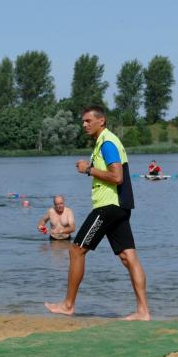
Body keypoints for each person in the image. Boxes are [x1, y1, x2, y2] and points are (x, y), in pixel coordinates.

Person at [44, 106, 150, 321]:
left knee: (76, 250)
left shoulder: (107, 143)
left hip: (108, 207)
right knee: (128, 257)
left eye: (88, 120)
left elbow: (117, 177)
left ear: (101, 121)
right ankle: (143, 311)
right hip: (120, 206)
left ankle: (68, 305)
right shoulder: (104, 142)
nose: (84, 125)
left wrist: (88, 169)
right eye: (83, 121)